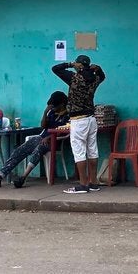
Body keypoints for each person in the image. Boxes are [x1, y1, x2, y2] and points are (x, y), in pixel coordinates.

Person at [0, 91, 69, 188]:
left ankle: (23, 177)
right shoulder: (52, 113)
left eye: (55, 106)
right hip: (41, 138)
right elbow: (43, 126)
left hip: (54, 141)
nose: (53, 108)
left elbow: (64, 131)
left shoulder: (67, 115)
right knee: (20, 150)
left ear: (62, 104)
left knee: (39, 149)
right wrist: (45, 112)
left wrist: (49, 137)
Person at [52, 55, 106, 194]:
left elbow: (55, 68)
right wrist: (98, 68)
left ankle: (83, 184)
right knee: (92, 149)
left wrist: (70, 64)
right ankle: (93, 183)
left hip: (78, 120)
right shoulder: (94, 79)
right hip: (91, 119)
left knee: (79, 152)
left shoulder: (74, 78)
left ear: (79, 65)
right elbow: (103, 76)